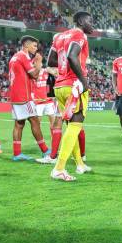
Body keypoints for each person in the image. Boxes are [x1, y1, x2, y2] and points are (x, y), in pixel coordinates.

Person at [47, 11, 94, 181]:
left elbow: (51, 61)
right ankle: (59, 168)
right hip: (73, 85)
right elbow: (72, 56)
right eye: (90, 21)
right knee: (75, 126)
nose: (92, 24)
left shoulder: (59, 37)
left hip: (59, 86)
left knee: (71, 128)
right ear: (81, 21)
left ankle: (80, 164)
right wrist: (84, 81)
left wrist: (64, 67)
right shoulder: (79, 34)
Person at [7, 35, 50, 161]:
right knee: (35, 121)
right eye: (34, 45)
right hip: (24, 96)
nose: (36, 48)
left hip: (15, 95)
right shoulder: (23, 56)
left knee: (19, 124)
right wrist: (39, 62)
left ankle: (17, 154)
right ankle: (45, 150)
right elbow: (35, 75)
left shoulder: (15, 56)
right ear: (26, 45)